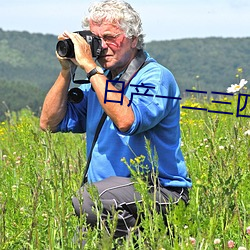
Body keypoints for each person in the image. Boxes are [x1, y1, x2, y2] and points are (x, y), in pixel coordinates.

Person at [40, 0, 192, 244]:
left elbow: (126, 120)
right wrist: (66, 70)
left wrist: (90, 68)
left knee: (88, 200)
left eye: (110, 37)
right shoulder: (100, 83)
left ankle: (146, 241)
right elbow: (49, 123)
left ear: (133, 39)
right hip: (110, 199)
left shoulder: (155, 77)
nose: (102, 47)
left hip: (160, 192)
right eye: (96, 39)